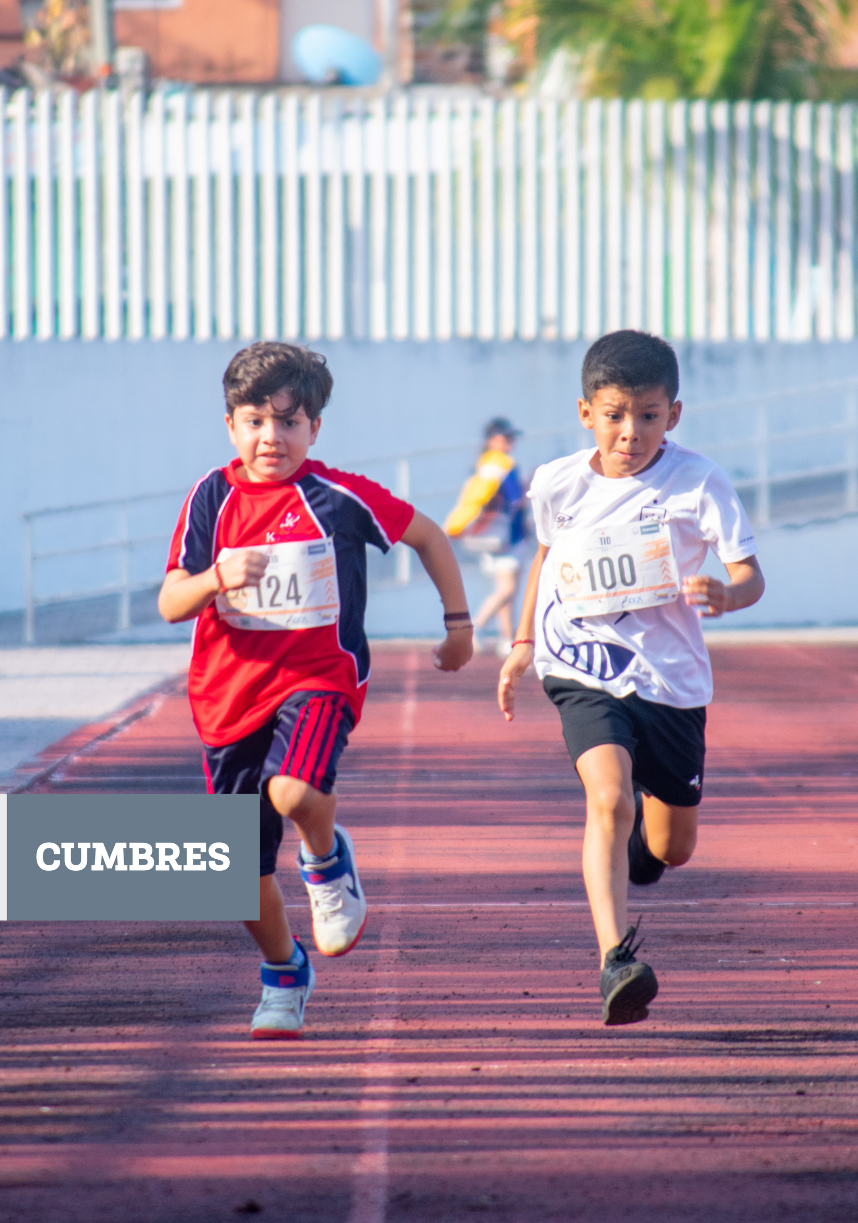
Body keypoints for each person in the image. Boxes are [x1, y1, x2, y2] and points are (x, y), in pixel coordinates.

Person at [159, 342, 473, 1040]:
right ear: (230, 426)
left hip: (317, 680)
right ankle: (284, 970)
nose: (272, 437)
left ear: (315, 429)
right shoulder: (211, 498)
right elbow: (171, 602)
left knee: (295, 793)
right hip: (226, 699)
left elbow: (427, 535)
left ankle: (326, 860)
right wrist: (219, 577)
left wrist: (457, 624)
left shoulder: (338, 496)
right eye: (255, 422)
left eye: (290, 422)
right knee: (231, 875)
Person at [496, 331, 764, 1027]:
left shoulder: (700, 482)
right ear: (586, 412)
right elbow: (548, 560)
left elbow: (749, 573)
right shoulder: (557, 481)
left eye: (647, 415)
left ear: (673, 414)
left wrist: (729, 595)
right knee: (608, 799)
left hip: (671, 681)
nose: (630, 432)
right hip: (580, 663)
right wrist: (524, 642)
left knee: (672, 847)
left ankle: (645, 848)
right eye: (614, 414)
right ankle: (617, 957)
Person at [444, 417, 530, 657]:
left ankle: (506, 638)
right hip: (506, 535)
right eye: (507, 437)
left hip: (496, 534)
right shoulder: (503, 465)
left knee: (506, 590)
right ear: (493, 440)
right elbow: (517, 500)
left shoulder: (485, 464)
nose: (511, 442)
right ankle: (475, 627)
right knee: (508, 590)